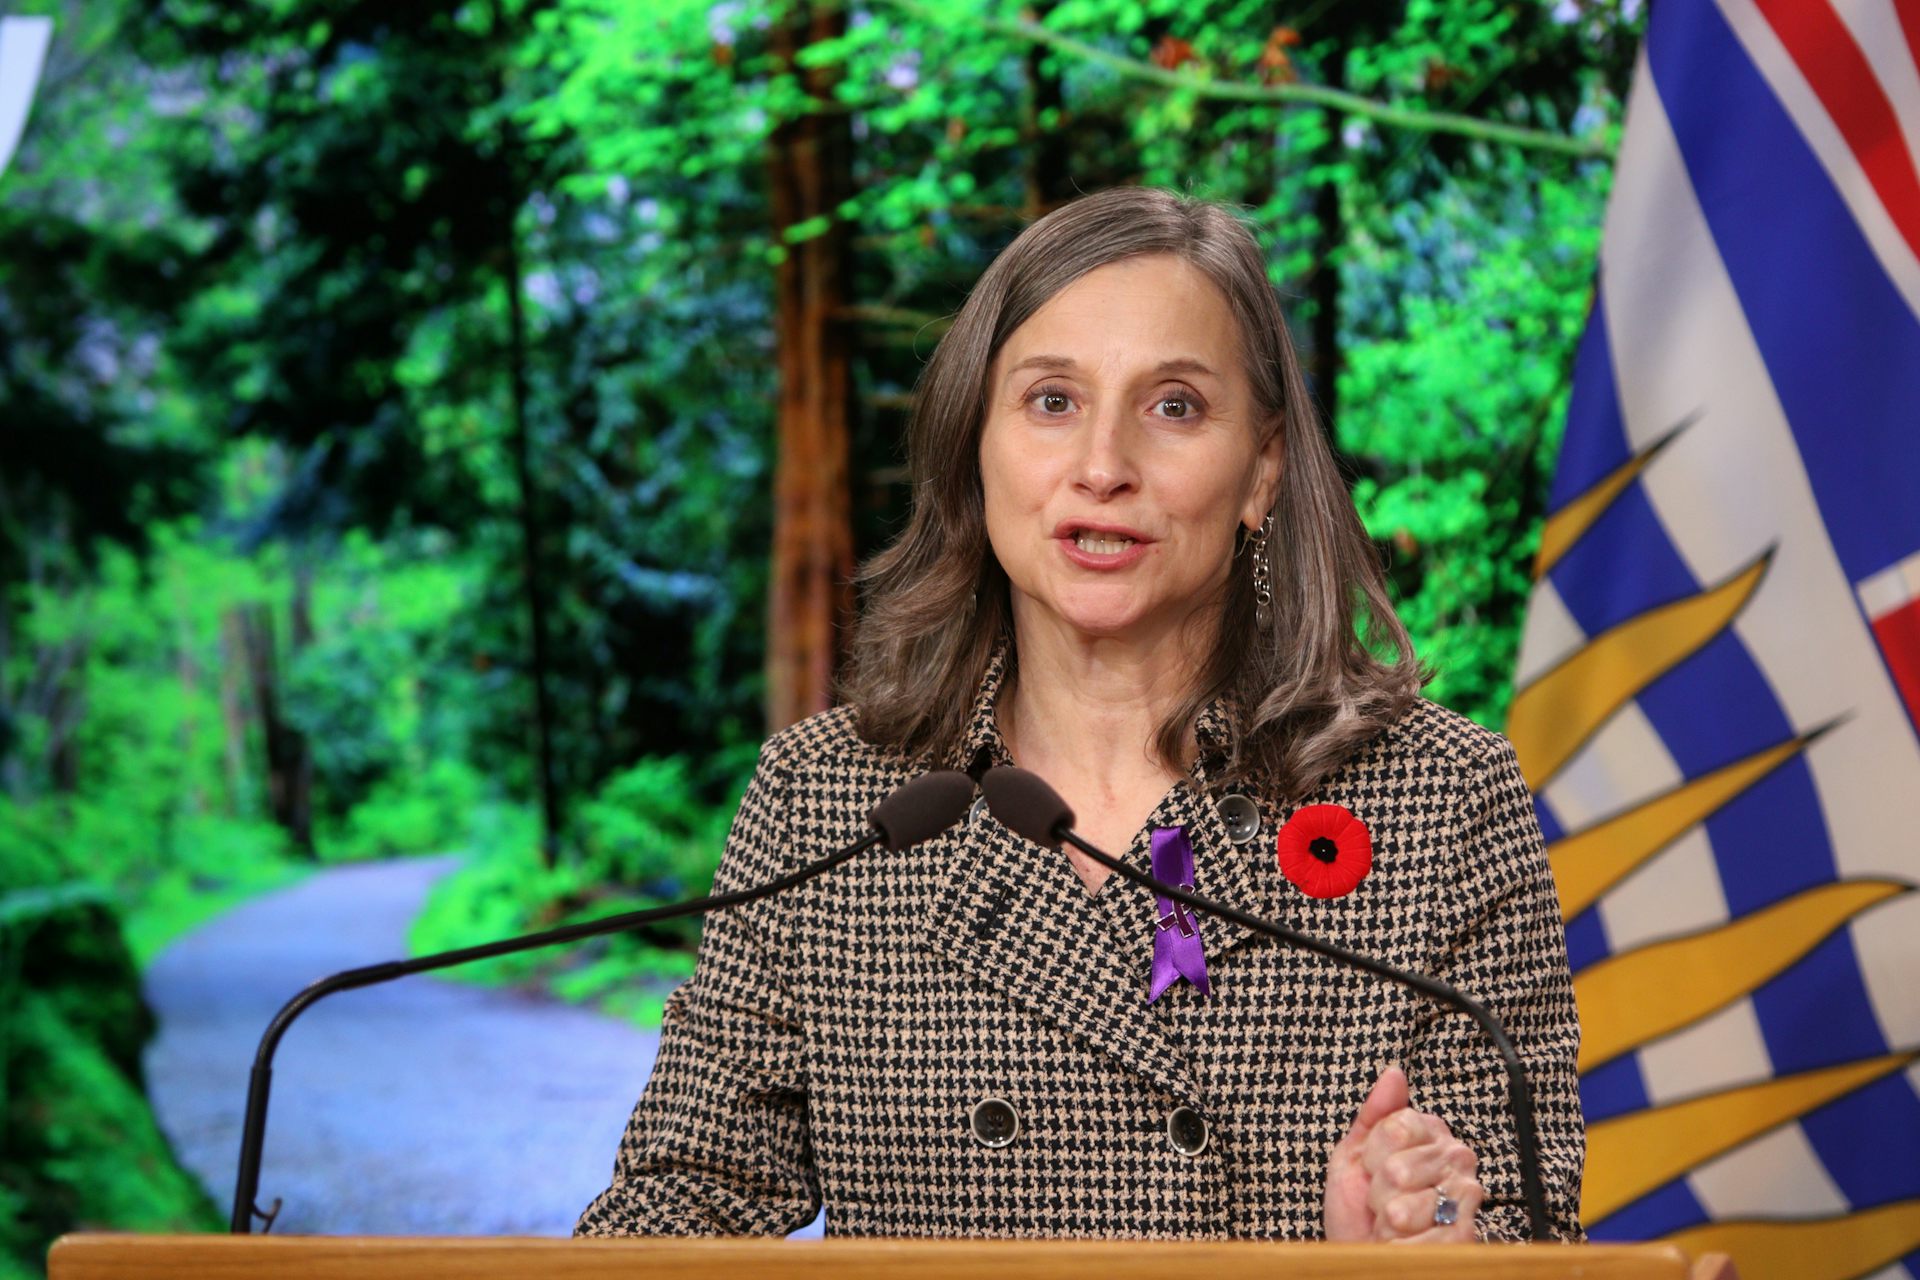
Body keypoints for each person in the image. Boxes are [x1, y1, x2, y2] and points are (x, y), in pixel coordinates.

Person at [576, 186, 1584, 1243]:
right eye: (1052, 400)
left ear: (1265, 468)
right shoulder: (824, 799)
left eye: (1175, 406)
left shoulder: (1442, 797)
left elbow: (1535, 1234)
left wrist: (1405, 1260)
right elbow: (671, 1210)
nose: (1103, 467)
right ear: (979, 442)